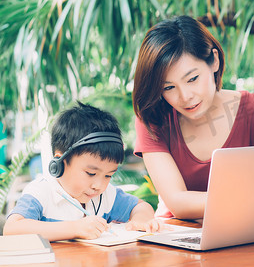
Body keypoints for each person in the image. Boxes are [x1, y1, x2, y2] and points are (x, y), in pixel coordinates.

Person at [133, 15, 254, 220]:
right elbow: (178, 202)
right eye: (168, 87)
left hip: (252, 234)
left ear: (214, 61)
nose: (185, 96)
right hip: (180, 238)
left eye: (192, 79)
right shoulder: (153, 118)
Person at [3, 101, 162, 241]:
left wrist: (140, 220)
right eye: (91, 173)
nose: (99, 185)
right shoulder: (41, 192)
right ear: (60, 162)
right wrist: (75, 228)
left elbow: (142, 207)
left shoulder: (105, 196)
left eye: (108, 175)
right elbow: (12, 229)